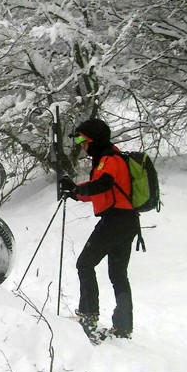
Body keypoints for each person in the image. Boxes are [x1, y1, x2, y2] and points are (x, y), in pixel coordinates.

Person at [59, 118, 139, 340]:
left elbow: (103, 184)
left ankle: (88, 316)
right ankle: (123, 327)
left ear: (93, 139)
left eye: (82, 140)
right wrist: (75, 193)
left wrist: (77, 189)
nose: (81, 145)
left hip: (116, 221)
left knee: (84, 264)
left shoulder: (109, 159)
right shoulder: (111, 157)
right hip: (127, 221)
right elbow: (104, 191)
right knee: (118, 274)